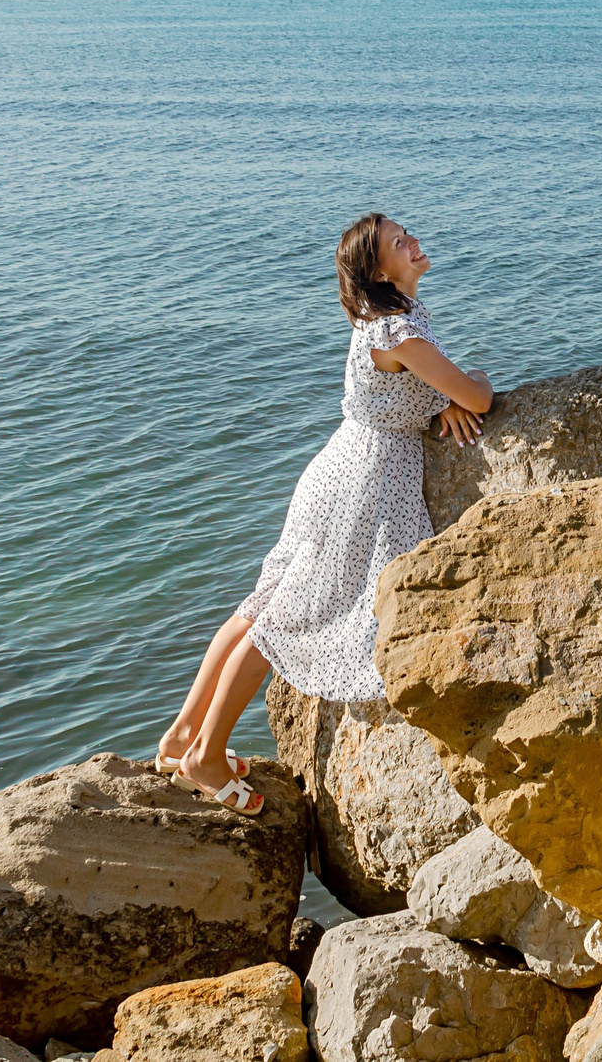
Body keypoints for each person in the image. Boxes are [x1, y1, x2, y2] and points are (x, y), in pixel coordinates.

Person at [153, 213, 490, 813]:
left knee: (262, 604)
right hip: (364, 483)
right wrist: (463, 391)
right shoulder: (396, 332)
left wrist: (435, 403)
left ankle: (182, 734)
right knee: (283, 619)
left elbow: (412, 393)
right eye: (397, 242)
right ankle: (205, 755)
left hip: (340, 467)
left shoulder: (384, 325)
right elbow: (478, 396)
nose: (412, 241)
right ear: (378, 270)